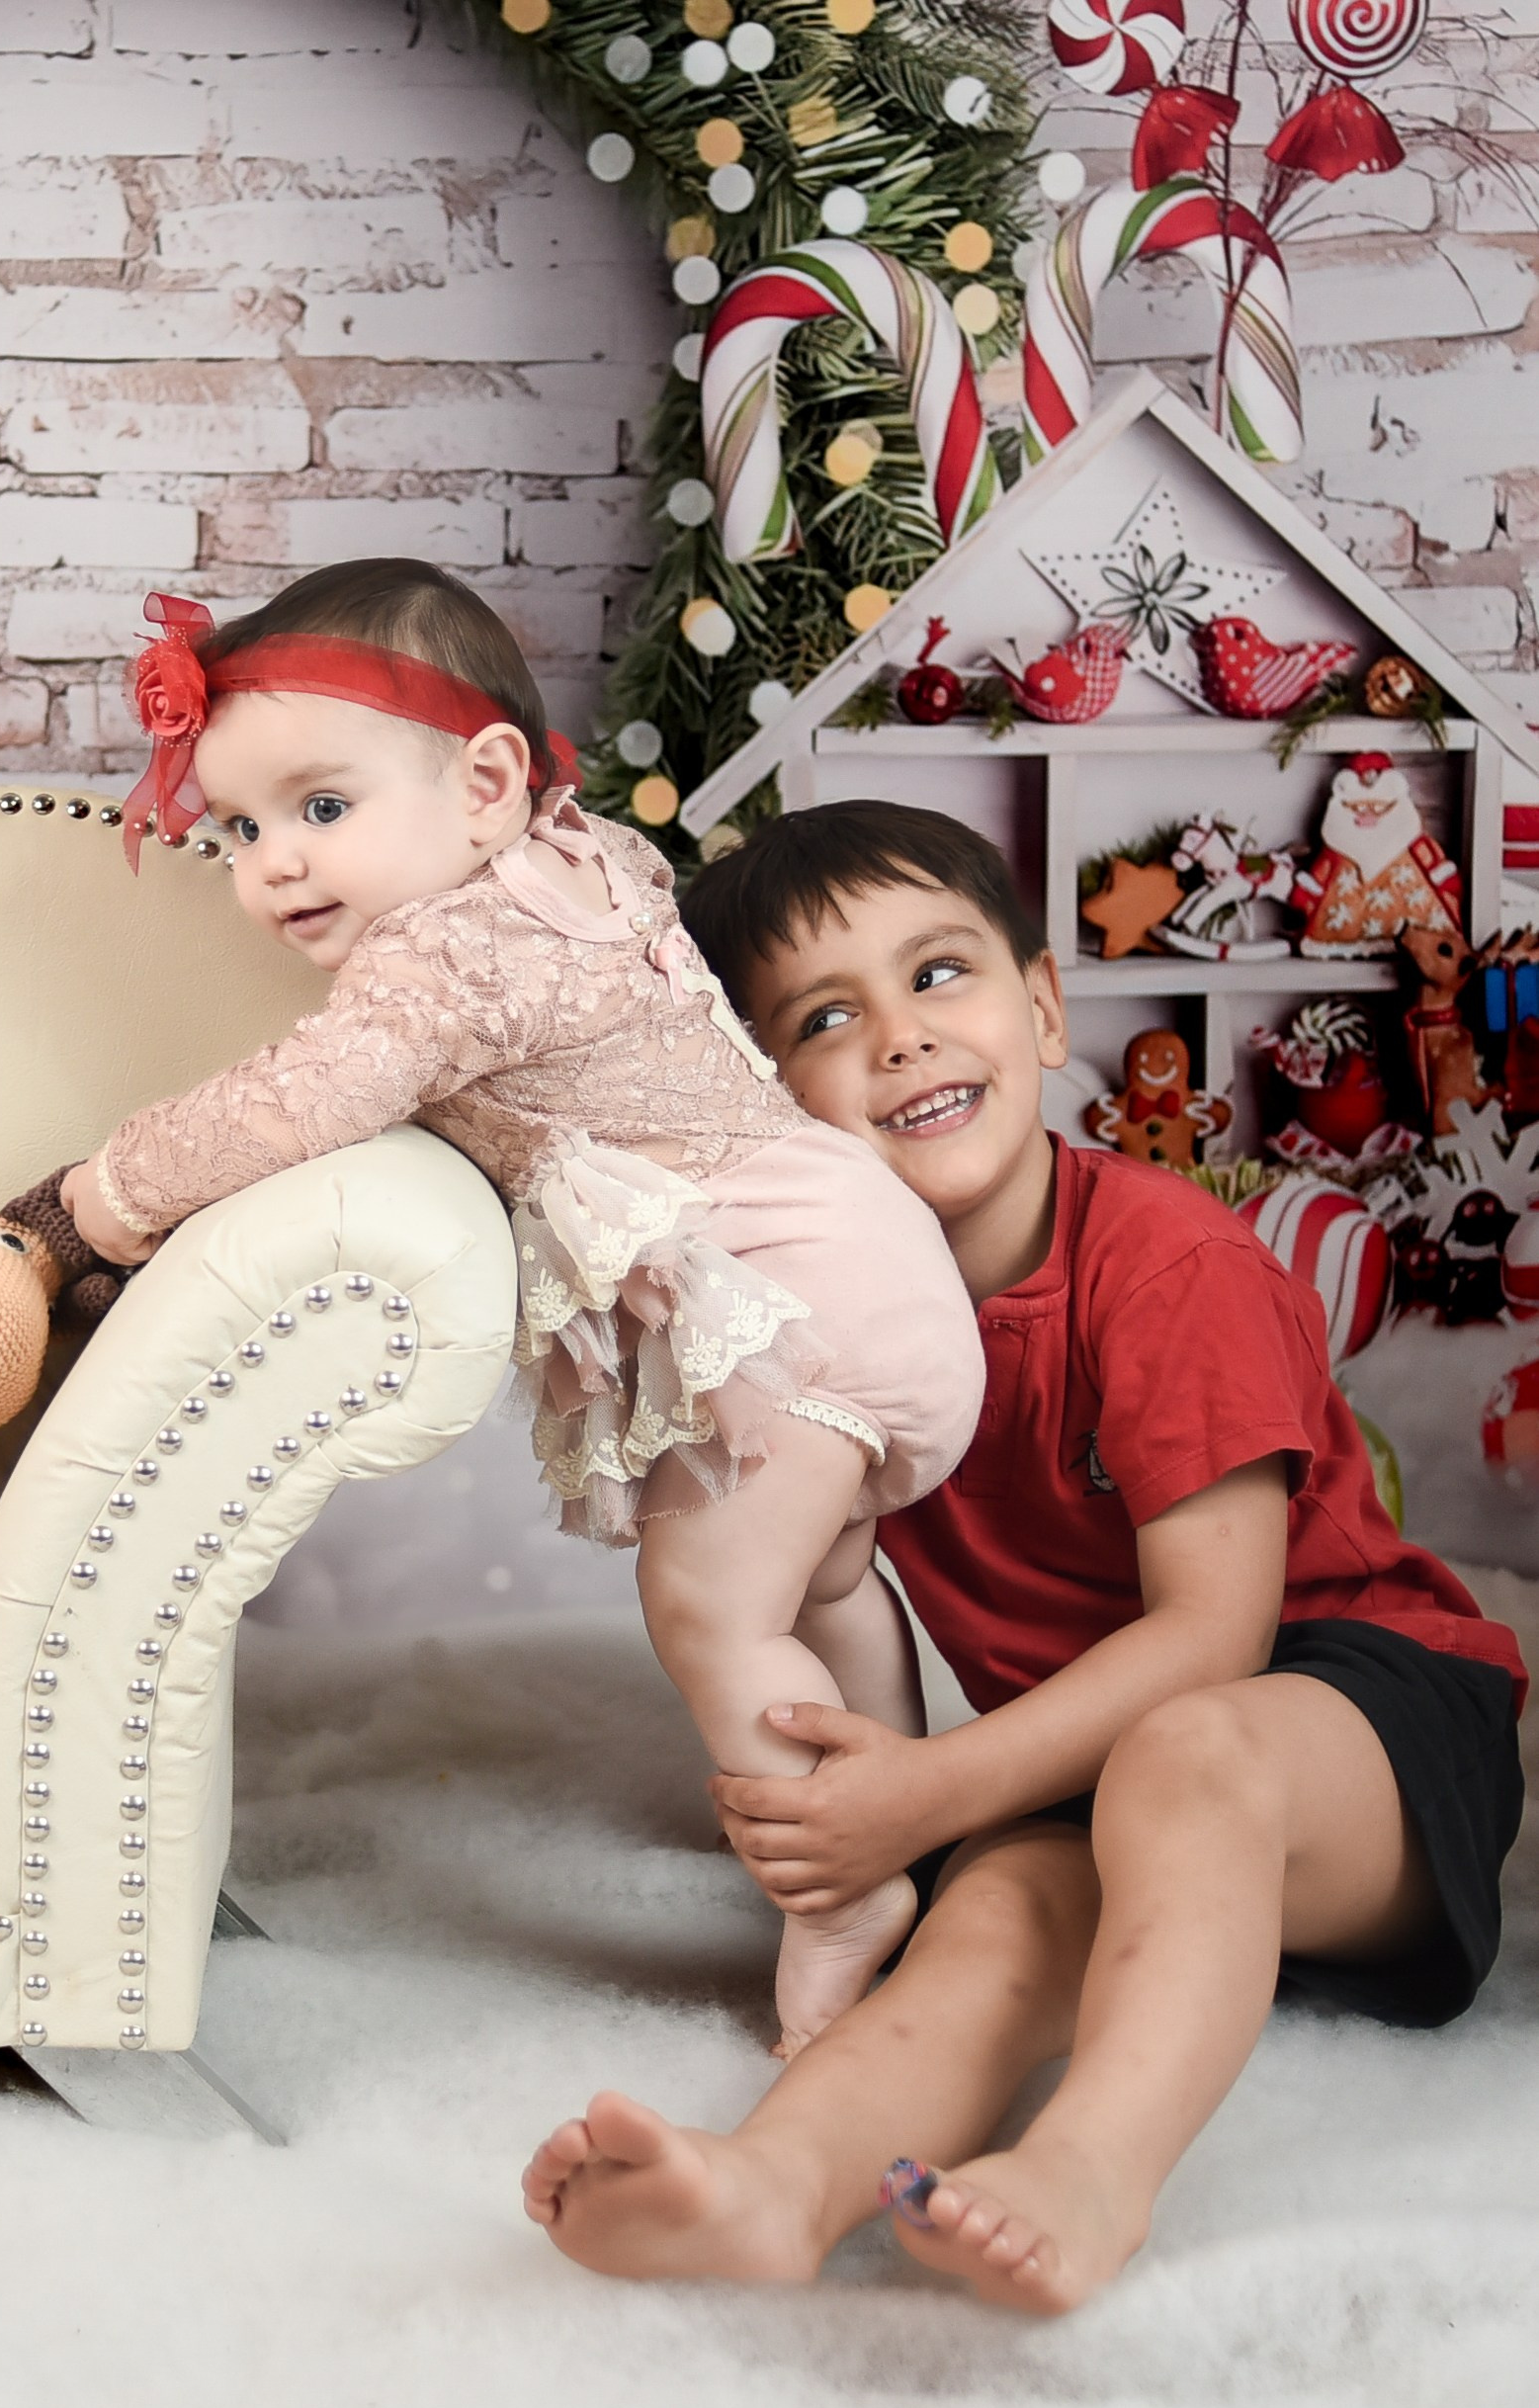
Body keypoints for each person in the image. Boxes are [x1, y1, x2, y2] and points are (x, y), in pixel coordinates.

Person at [521, 799, 1527, 2314]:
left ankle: (1090, 2173)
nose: (904, 1039)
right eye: (828, 1016)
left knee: (1189, 1753)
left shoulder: (1168, 1263)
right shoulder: (838, 1326)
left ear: (1044, 1007)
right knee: (990, 1923)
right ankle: (773, 2189)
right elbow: (769, 1584)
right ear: (771, 1100)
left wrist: (933, 1790)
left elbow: (1214, 1639)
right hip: (1098, 1760)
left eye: (940, 976)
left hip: (1356, 1720)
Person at [62, 565, 984, 2056]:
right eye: (235, 829)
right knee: (820, 1581)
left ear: (487, 783)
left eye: (318, 808)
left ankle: (847, 1894)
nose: (271, 869)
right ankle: (902, 1813)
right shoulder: (587, 861)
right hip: (867, 1257)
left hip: (781, 1303)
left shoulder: (444, 952)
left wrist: (92, 1201)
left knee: (709, 1606)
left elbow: (305, 1098)